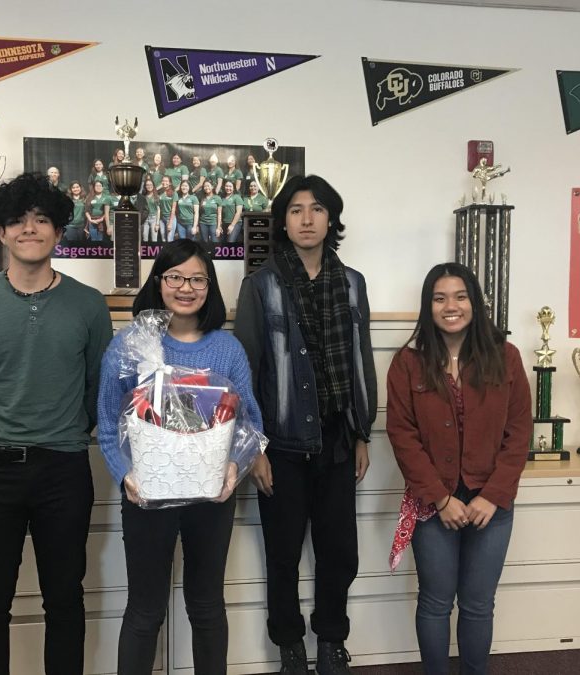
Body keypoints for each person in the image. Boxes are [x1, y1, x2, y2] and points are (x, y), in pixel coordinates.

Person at [0, 172, 113, 675]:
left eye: (42, 219)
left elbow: (97, 387)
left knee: (65, 600)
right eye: (17, 220)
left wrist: (62, 435)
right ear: (1, 231)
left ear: (60, 231)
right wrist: (0, 431)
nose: (29, 229)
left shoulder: (88, 305)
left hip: (62, 470)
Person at [97, 239, 263, 675]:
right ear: (159, 282)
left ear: (209, 286)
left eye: (196, 279)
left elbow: (251, 423)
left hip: (211, 498)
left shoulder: (227, 351)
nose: (185, 287)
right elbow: (107, 418)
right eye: (174, 277)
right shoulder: (131, 346)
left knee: (207, 606)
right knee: (145, 610)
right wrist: (123, 475)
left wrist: (235, 467)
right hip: (145, 495)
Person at [233, 175, 377, 675]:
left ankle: (332, 642)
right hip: (283, 445)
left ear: (331, 217)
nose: (307, 219)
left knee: (339, 552)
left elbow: (361, 361)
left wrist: (362, 432)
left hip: (338, 440)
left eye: (317, 209)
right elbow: (246, 370)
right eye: (296, 210)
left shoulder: (352, 282)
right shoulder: (261, 284)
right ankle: (290, 646)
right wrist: (254, 449)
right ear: (283, 221)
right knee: (283, 555)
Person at [386, 262, 531, 675]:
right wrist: (440, 497)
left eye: (460, 296)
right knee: (434, 601)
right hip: (435, 503)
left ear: (474, 303)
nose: (451, 306)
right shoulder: (408, 363)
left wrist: (493, 495)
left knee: (478, 603)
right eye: (439, 297)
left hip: (492, 502)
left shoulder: (505, 357)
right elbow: (402, 435)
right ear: (428, 306)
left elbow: (518, 432)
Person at [219, 179, 243, 243]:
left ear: (234, 188)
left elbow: (239, 212)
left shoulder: (237, 197)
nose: (228, 188)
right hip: (224, 223)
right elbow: (220, 213)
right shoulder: (222, 198)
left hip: (235, 224)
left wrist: (232, 225)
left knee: (230, 242)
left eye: (230, 186)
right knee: (223, 243)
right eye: (226, 186)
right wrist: (220, 225)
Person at [199, 179, 222, 245]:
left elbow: (219, 214)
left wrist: (218, 227)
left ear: (212, 187)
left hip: (213, 223)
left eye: (208, 186)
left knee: (215, 242)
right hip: (203, 223)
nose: (206, 188)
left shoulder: (217, 198)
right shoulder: (202, 198)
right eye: (205, 186)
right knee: (205, 242)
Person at [156, 176, 177, 243]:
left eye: (166, 181)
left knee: (169, 239)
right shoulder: (160, 193)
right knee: (163, 239)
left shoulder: (174, 193)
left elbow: (173, 209)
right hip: (162, 219)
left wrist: (170, 223)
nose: (164, 182)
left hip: (170, 218)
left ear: (170, 183)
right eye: (163, 180)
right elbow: (158, 208)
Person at [140, 178, 159, 243]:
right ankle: (146, 252)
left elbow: (158, 210)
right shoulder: (143, 197)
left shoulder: (156, 196)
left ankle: (154, 252)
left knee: (154, 239)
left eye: (150, 185)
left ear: (153, 186)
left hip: (154, 218)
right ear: (145, 186)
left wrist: (157, 224)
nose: (149, 186)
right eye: (147, 185)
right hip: (145, 219)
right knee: (145, 237)